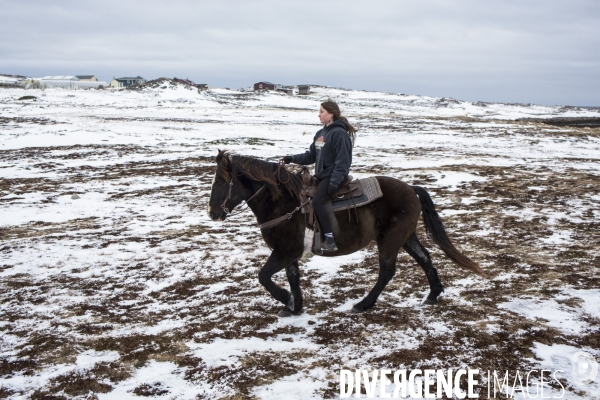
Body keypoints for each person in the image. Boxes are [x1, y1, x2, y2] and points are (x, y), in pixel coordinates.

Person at [282, 100, 357, 252]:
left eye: (322, 111)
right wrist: (292, 158)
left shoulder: (340, 134)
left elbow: (343, 162)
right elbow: (311, 155)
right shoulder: (321, 134)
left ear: (331, 114)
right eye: (319, 111)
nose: (319, 115)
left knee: (318, 200)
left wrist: (334, 182)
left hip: (333, 176)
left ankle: (330, 239)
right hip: (322, 176)